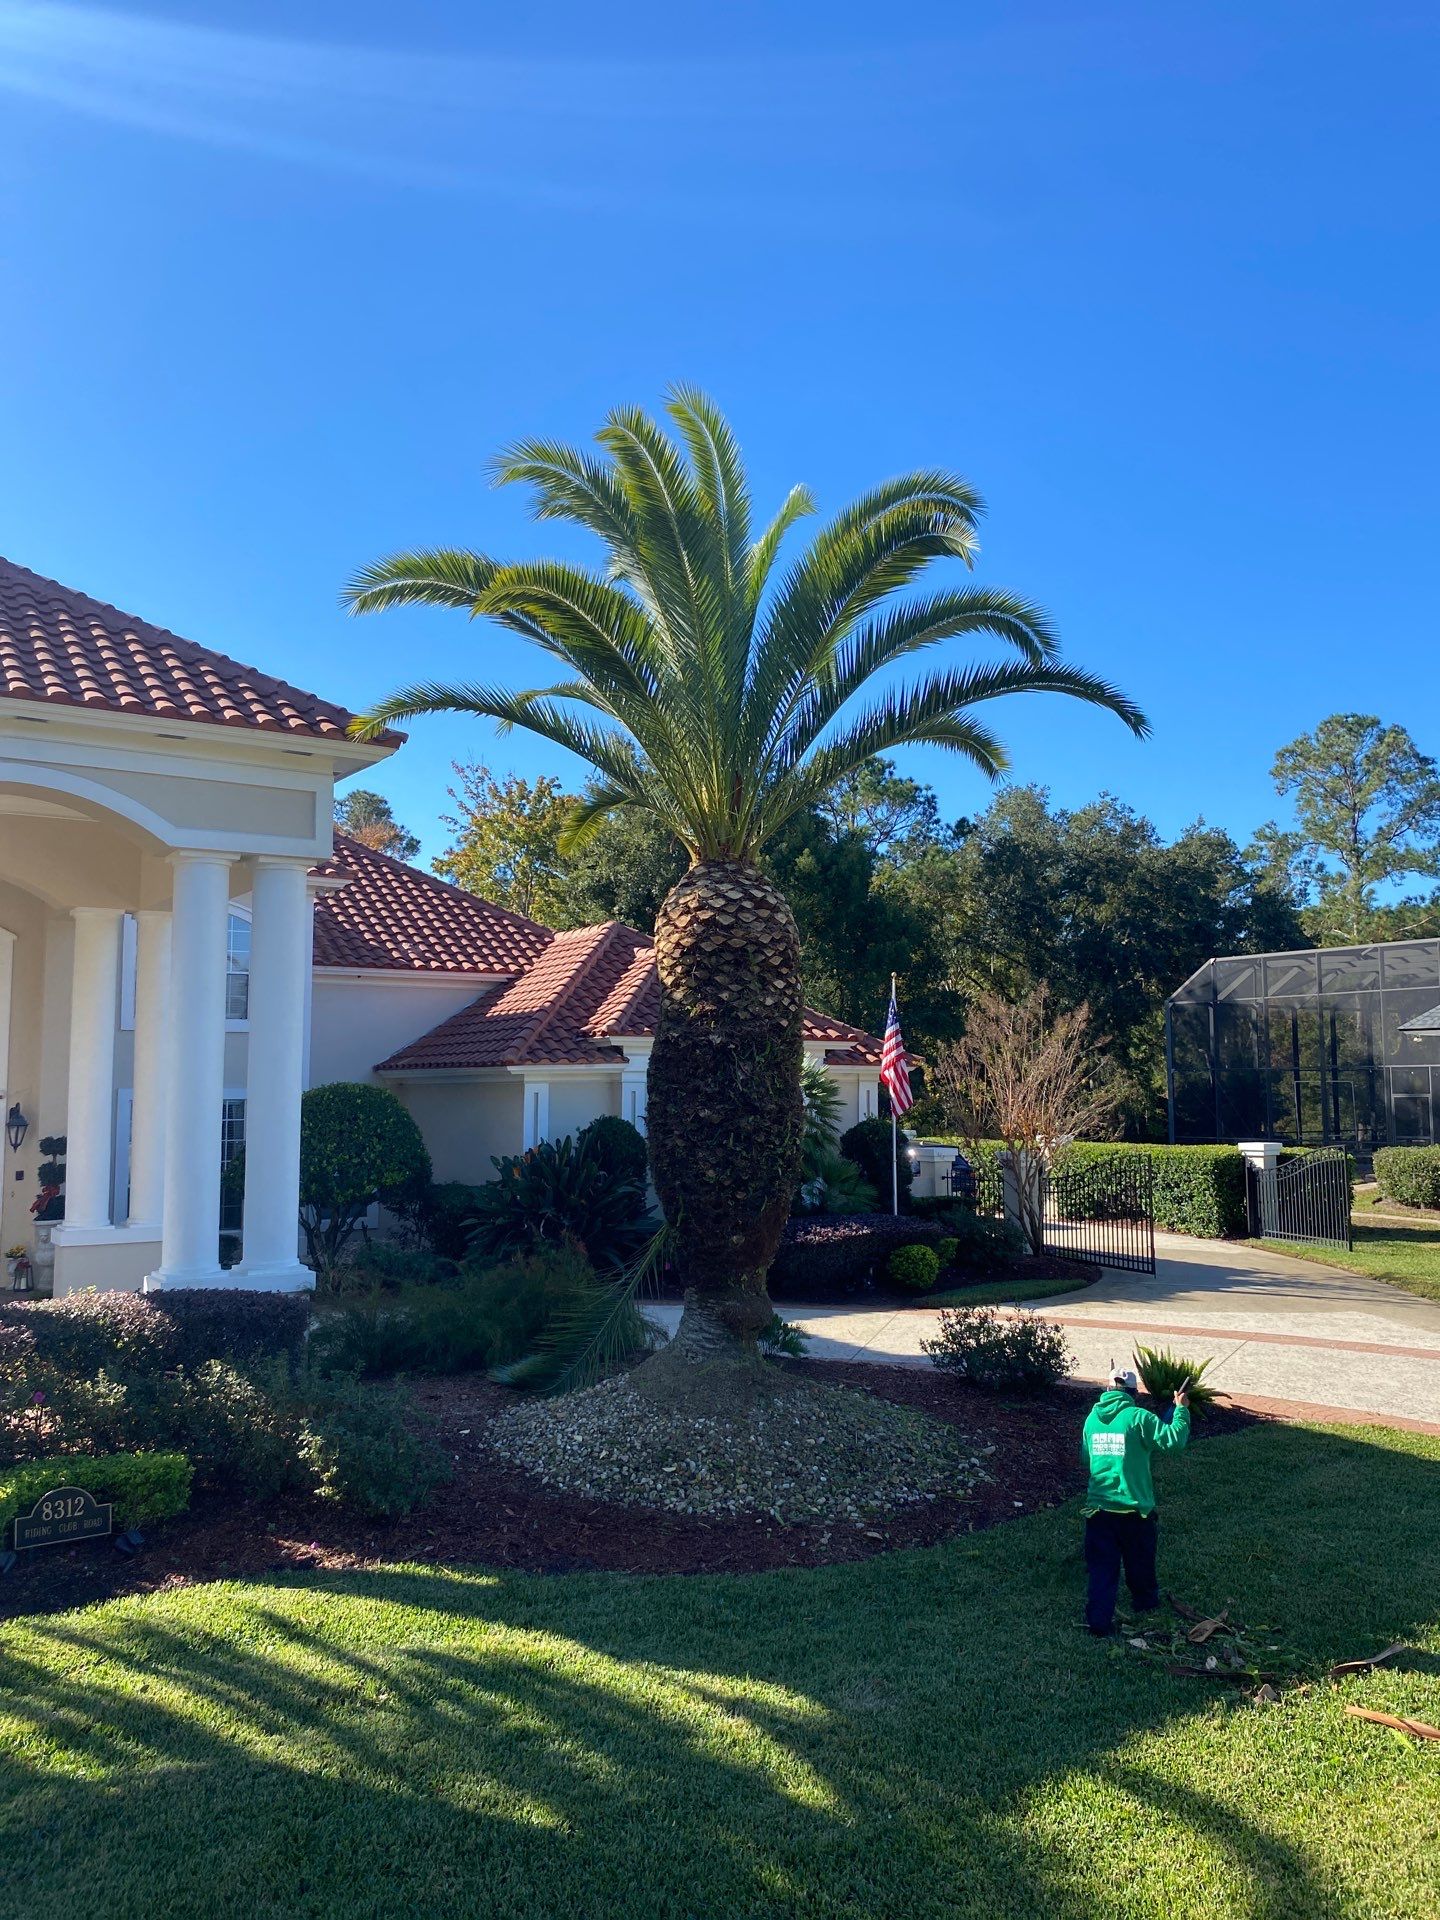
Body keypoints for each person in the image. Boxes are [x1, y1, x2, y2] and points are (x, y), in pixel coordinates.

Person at [1081, 1367, 1191, 1636]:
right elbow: (1173, 1440)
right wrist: (1181, 1410)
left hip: (1098, 1510)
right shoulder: (1139, 1417)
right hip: (1135, 1511)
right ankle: (1145, 1603)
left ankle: (1098, 1622)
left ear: (1108, 1390)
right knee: (1139, 1562)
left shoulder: (1091, 1420)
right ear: (1133, 1393)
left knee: (1102, 1570)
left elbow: (1087, 1458)